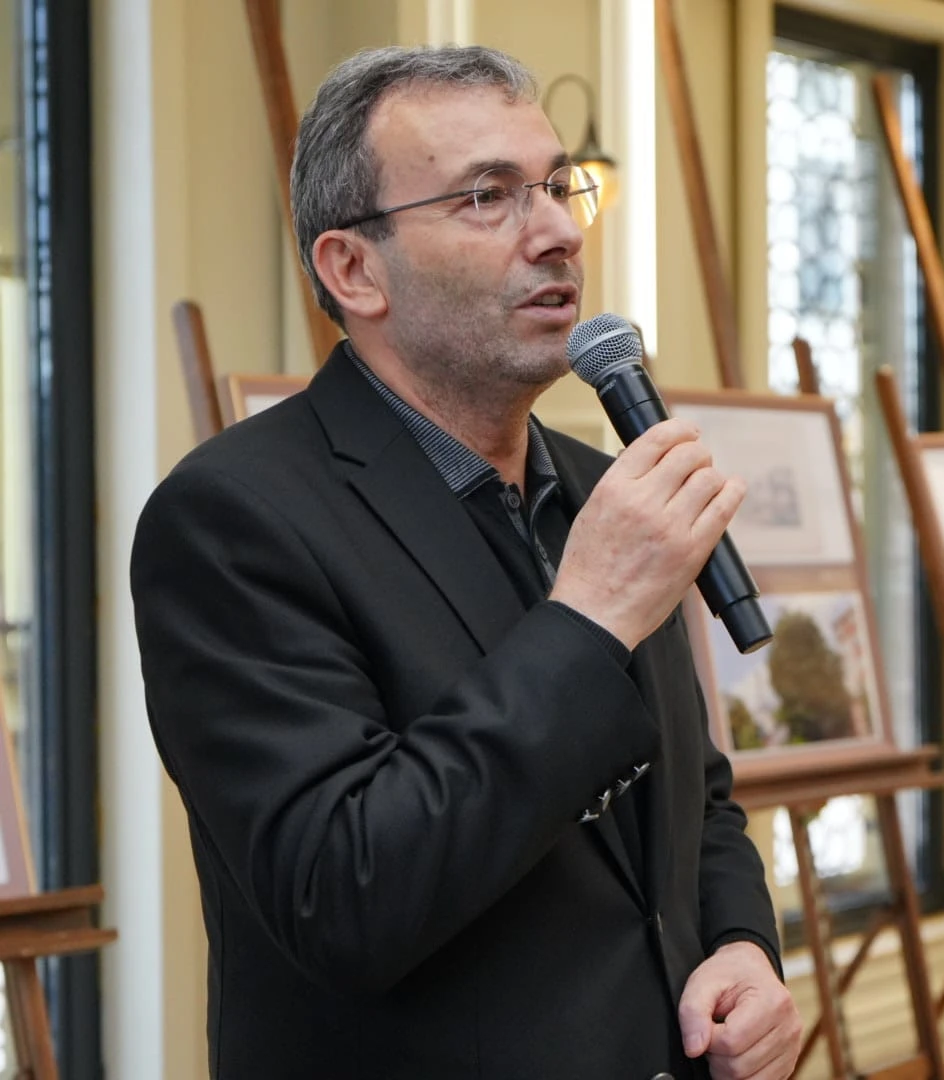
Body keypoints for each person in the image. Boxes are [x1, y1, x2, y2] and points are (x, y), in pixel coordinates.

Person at [130, 44, 802, 1079]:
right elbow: (342, 894)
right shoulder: (231, 520)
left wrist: (743, 945)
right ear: (353, 270)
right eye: (488, 196)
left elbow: (694, 798)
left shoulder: (599, 488)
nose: (558, 231)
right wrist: (586, 621)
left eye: (556, 186)